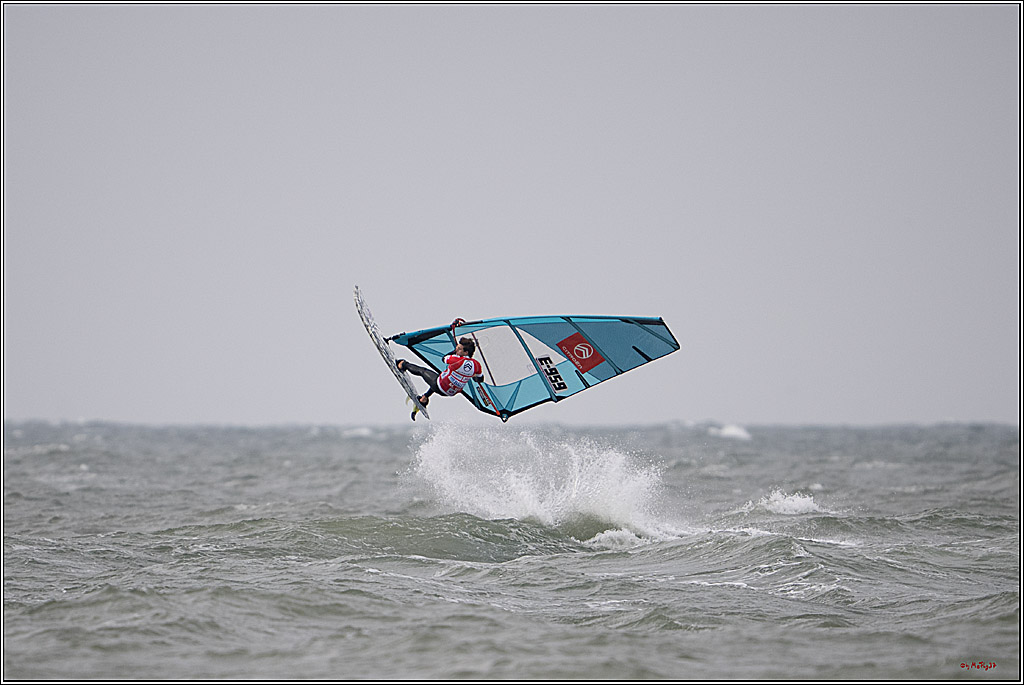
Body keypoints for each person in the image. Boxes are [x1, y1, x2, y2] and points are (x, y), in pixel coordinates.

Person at [396, 334, 484, 414]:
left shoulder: (456, 360)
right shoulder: (477, 365)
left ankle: (403, 365)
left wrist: (454, 352)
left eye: (459, 349)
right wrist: (470, 375)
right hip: (450, 393)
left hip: (439, 385)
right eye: (457, 346)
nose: (457, 348)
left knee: (422, 371)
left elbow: (444, 359)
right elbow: (480, 379)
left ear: (466, 353)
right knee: (442, 377)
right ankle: (424, 398)